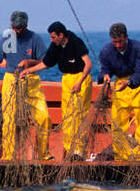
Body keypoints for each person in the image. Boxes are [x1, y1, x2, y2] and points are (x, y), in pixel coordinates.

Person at [0, 11, 51, 161]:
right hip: (11, 80)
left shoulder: (35, 39)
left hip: (30, 79)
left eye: (20, 27)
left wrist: (29, 62)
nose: (17, 30)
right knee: (9, 119)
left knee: (43, 117)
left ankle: (43, 154)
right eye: (14, 27)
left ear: (26, 25)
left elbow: (46, 60)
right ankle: (9, 155)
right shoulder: (5, 39)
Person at [25, 21, 93, 160]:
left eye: (53, 37)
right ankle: (70, 150)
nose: (51, 40)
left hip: (81, 77)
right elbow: (46, 63)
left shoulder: (75, 42)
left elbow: (88, 64)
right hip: (67, 79)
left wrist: (80, 82)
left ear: (61, 35)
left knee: (78, 116)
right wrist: (28, 71)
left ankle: (80, 150)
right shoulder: (55, 46)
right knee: (67, 116)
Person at [97, 22, 140, 160]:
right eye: (114, 42)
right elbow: (104, 68)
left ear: (126, 37)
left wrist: (129, 82)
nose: (118, 45)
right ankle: (121, 154)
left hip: (139, 84)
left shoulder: (138, 48)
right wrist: (104, 76)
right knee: (118, 120)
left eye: (120, 41)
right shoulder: (106, 51)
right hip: (119, 84)